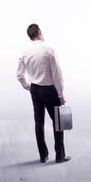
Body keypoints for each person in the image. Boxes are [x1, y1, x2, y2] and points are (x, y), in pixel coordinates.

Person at [17, 24, 71, 163]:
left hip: (35, 89)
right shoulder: (49, 50)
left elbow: (19, 75)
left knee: (39, 122)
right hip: (49, 90)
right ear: (40, 32)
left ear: (30, 36)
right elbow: (57, 75)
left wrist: (30, 87)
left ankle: (43, 156)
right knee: (58, 122)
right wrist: (60, 94)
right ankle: (59, 155)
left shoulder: (25, 52)